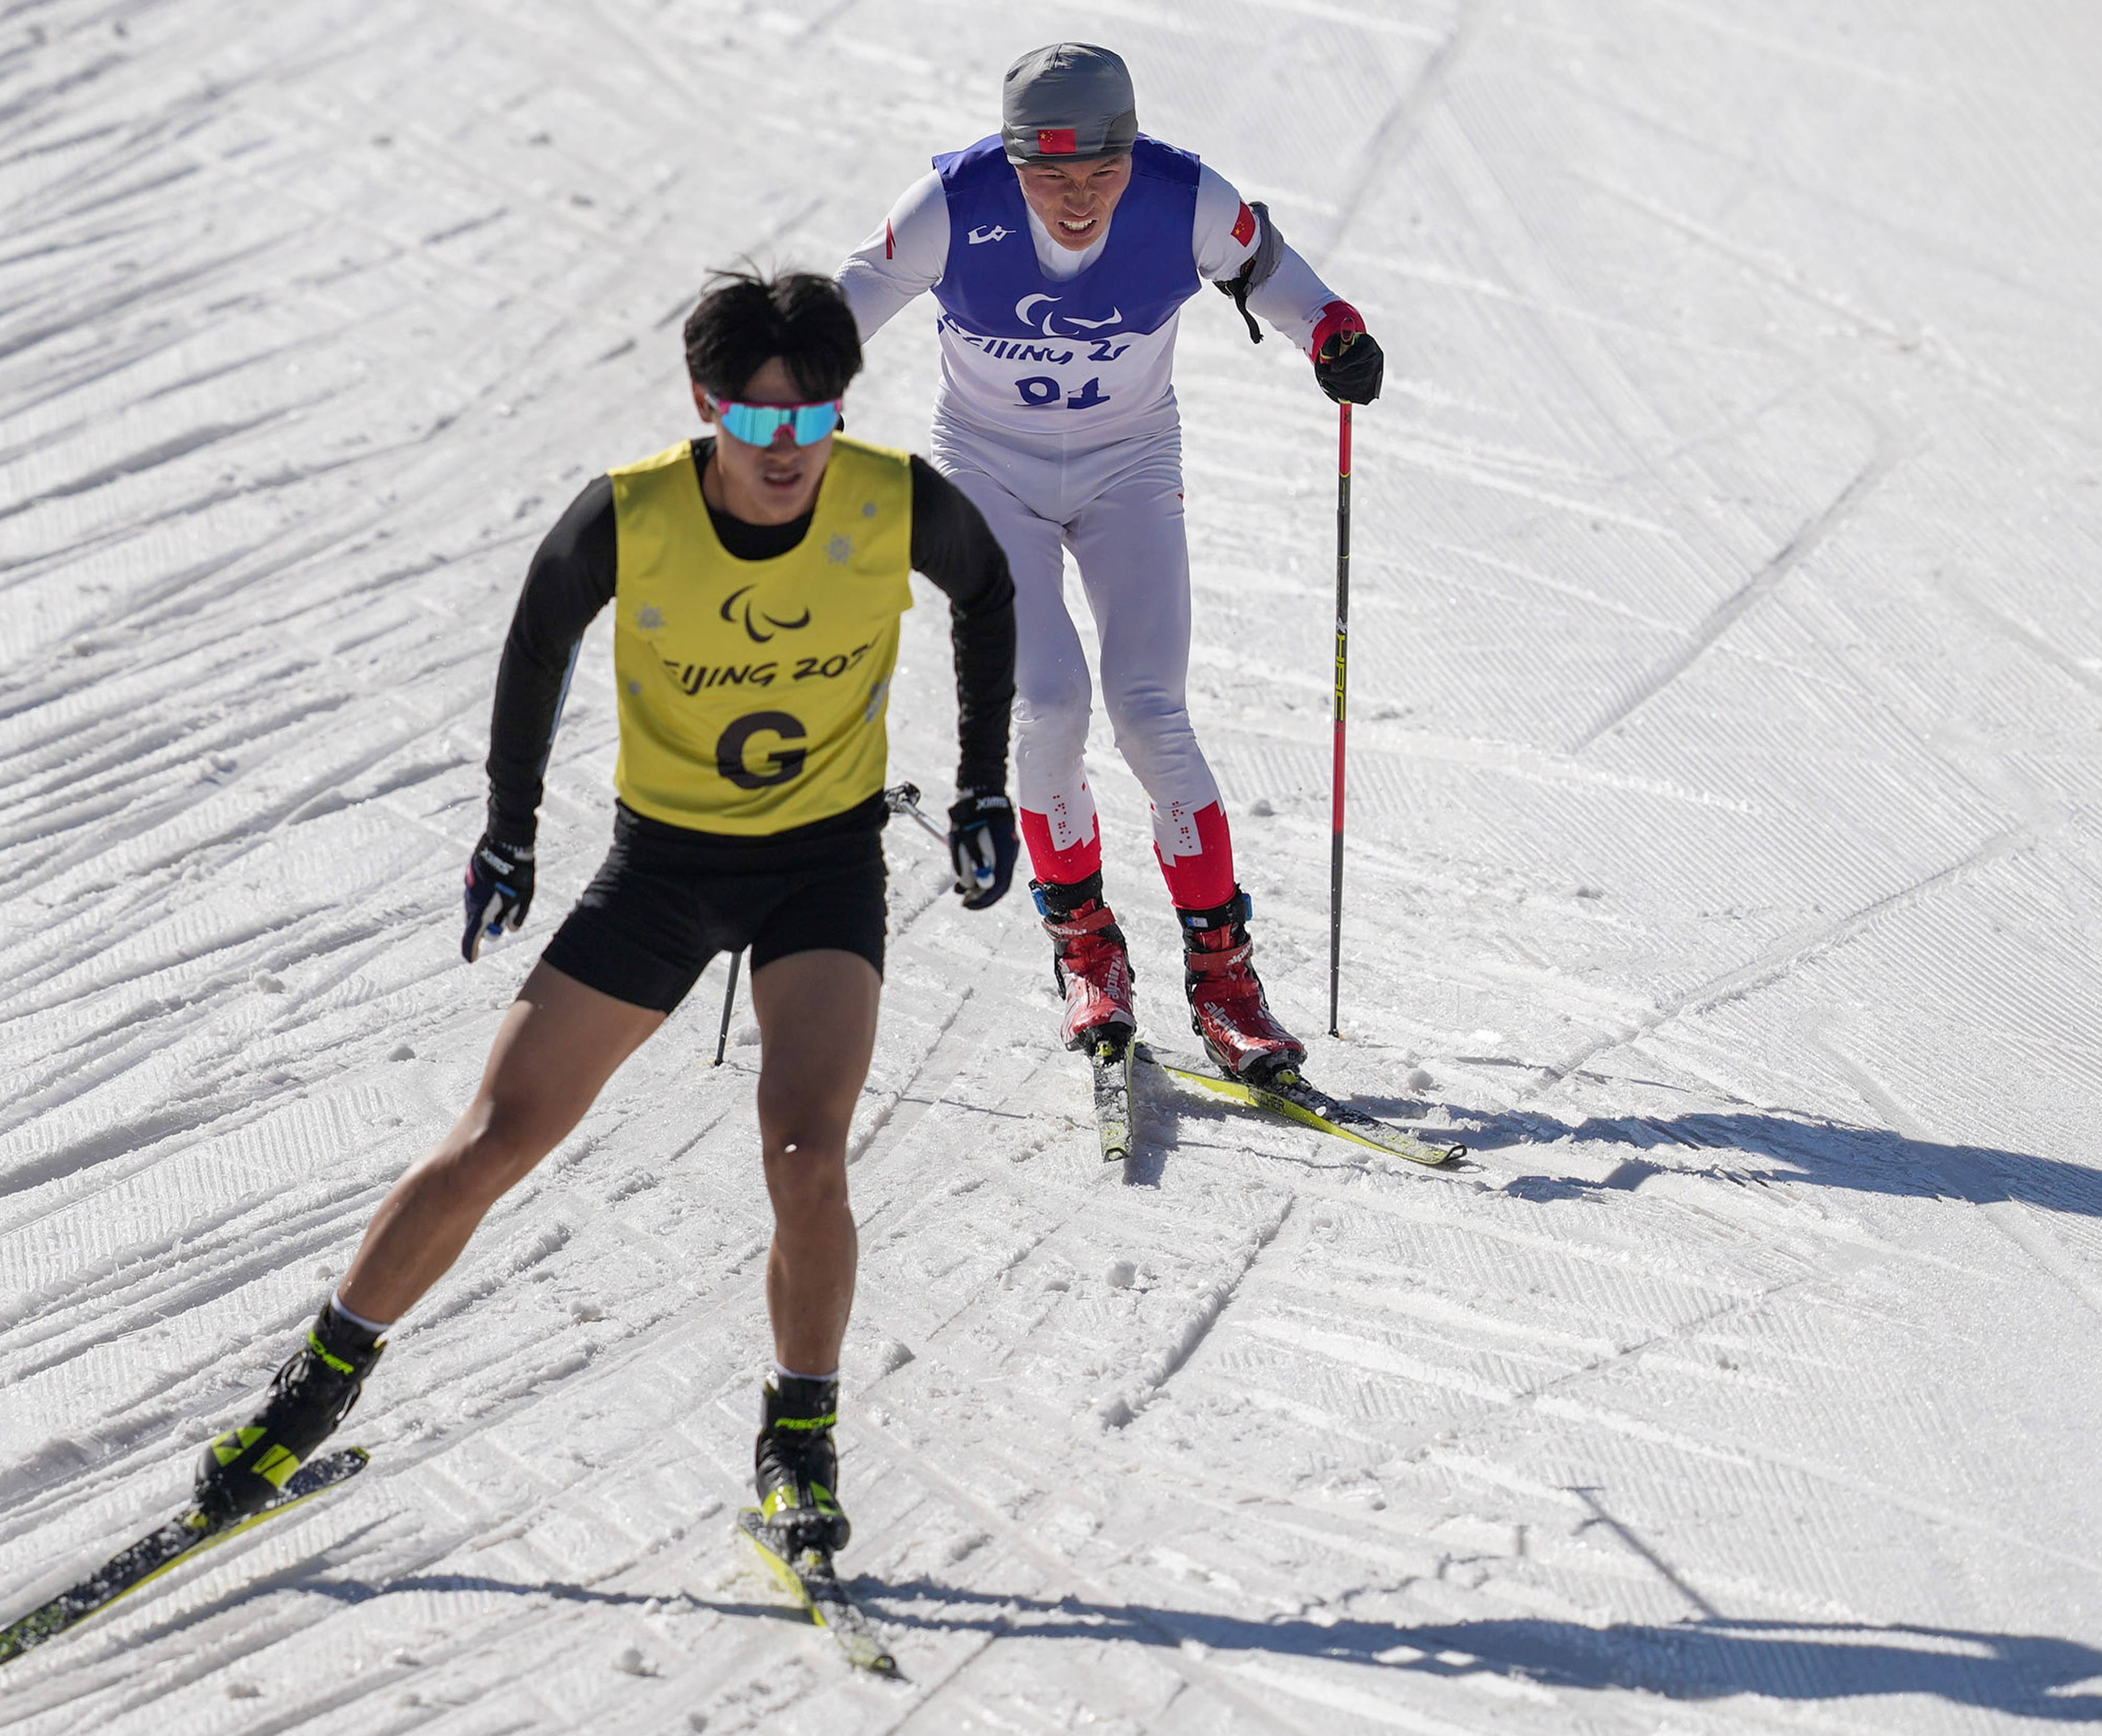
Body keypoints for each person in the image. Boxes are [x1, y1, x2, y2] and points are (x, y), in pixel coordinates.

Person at [190, 270, 1018, 1560]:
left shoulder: (892, 497)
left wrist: (983, 786)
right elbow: (537, 646)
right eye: (757, 423)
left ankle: (798, 1440)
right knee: (497, 1133)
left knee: (806, 1151)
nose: (789, 449)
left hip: (823, 865)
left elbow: (988, 589)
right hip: (667, 866)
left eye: (814, 418)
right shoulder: (626, 516)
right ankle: (305, 1400)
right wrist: (508, 829)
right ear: (706, 408)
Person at [834, 42, 1384, 1084]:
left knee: (1147, 709)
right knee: (1044, 704)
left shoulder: (1184, 199)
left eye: (1099, 173)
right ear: (1012, 161)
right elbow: (839, 309)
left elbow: (1281, 279)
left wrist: (1334, 337)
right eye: (1049, 176)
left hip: (1131, 464)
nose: (1077, 200)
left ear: (1130, 153)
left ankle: (1226, 982)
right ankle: (1087, 948)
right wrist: (777, 390)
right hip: (988, 472)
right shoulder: (951, 204)